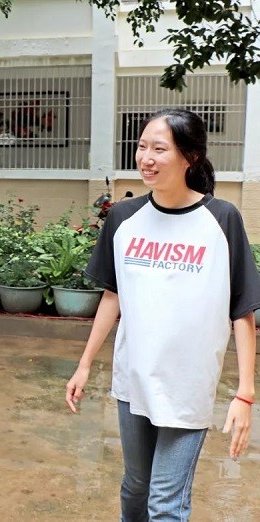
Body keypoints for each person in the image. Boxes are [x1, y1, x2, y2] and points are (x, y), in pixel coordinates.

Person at [65, 108, 260, 521]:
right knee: (135, 488)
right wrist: (85, 365)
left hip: (188, 386)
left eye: (159, 148)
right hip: (133, 378)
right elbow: (113, 297)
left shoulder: (221, 219)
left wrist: (245, 392)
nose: (146, 158)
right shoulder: (123, 216)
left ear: (190, 157)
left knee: (166, 503)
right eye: (141, 147)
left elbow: (242, 311)